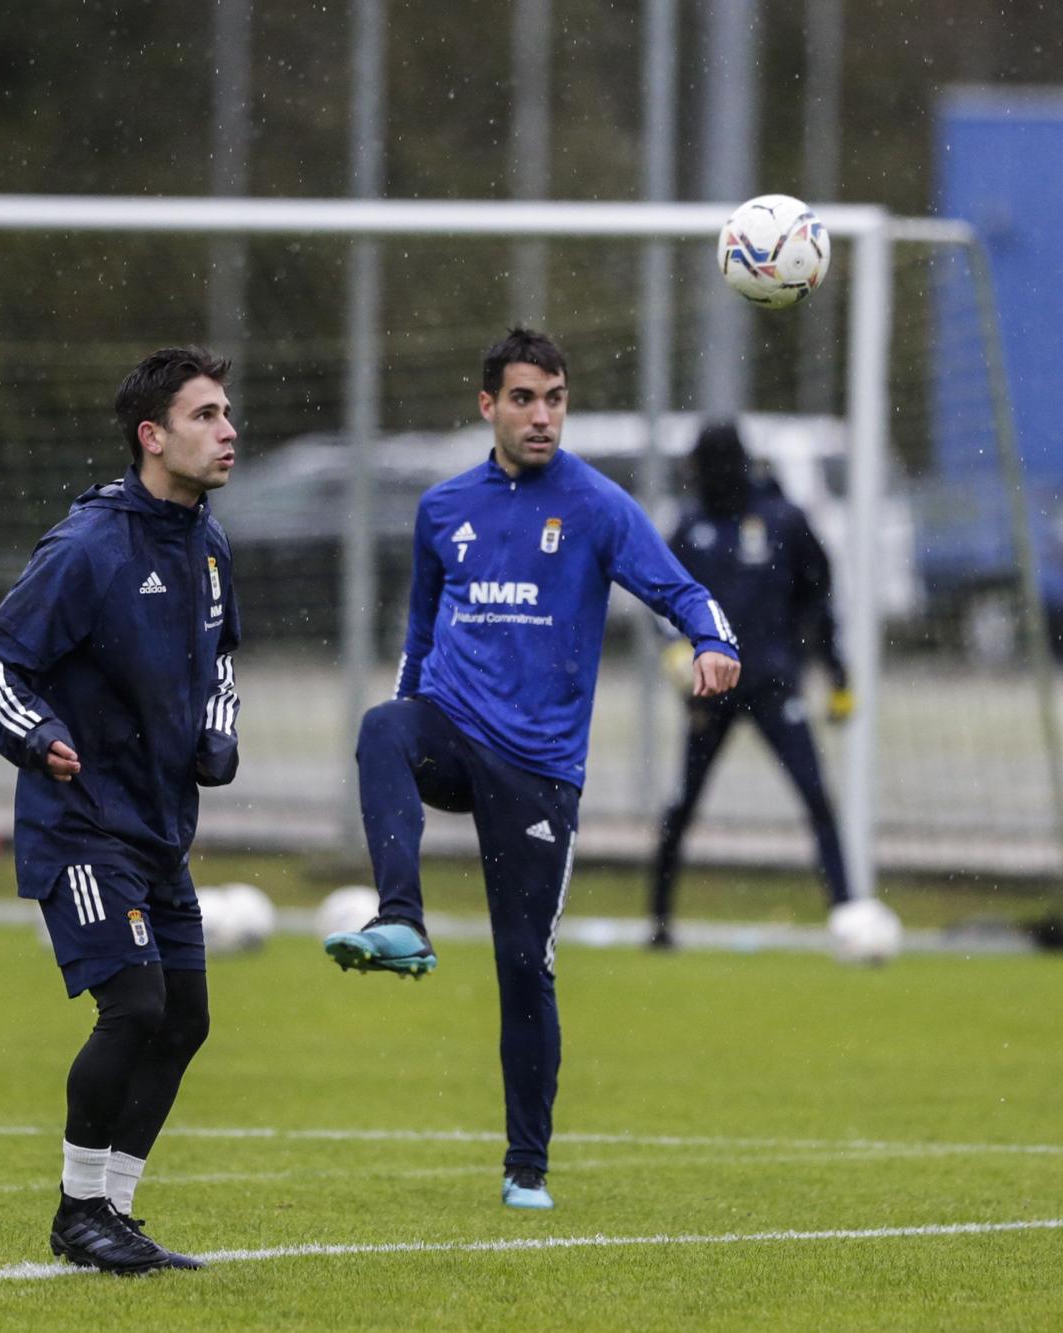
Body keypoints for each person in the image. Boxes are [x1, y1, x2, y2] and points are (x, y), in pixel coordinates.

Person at [324, 327, 740, 1212]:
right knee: (381, 727)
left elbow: (681, 588)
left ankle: (526, 1166)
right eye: (524, 398)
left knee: (524, 964)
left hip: (538, 769)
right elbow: (418, 637)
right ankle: (401, 918)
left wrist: (711, 639)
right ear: (488, 405)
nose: (542, 415)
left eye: (554, 398)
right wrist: (405, 713)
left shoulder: (596, 506)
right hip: (451, 726)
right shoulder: (442, 509)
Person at [0, 346, 241, 1275]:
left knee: (186, 1017)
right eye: (205, 416)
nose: (227, 430)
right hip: (79, 824)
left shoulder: (208, 547)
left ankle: (110, 1212)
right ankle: (79, 1208)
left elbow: (222, 658)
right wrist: (39, 737)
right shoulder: (88, 547)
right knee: (134, 1004)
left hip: (159, 830)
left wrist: (218, 729)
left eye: (227, 413)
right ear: (151, 436)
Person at [647, 422, 853, 950]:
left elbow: (818, 597)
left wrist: (836, 672)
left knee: (816, 797)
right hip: (710, 693)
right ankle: (660, 920)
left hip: (773, 684)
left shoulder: (782, 519)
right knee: (683, 802)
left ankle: (848, 912)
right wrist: (676, 656)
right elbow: (659, 601)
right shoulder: (690, 525)